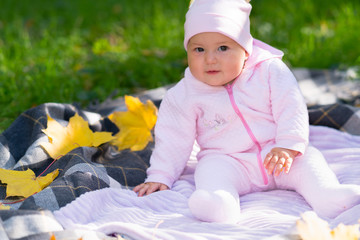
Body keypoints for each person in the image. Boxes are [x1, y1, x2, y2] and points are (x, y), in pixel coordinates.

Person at [133, 0, 360, 223]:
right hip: (228, 160)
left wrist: (289, 144)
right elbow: (173, 137)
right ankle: (220, 204)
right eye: (199, 49)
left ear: (246, 49)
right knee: (210, 171)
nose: (210, 59)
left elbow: (290, 105)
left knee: (309, 160)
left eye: (223, 48)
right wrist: (161, 175)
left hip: (278, 153)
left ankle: (328, 196)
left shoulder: (269, 70)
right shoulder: (184, 94)